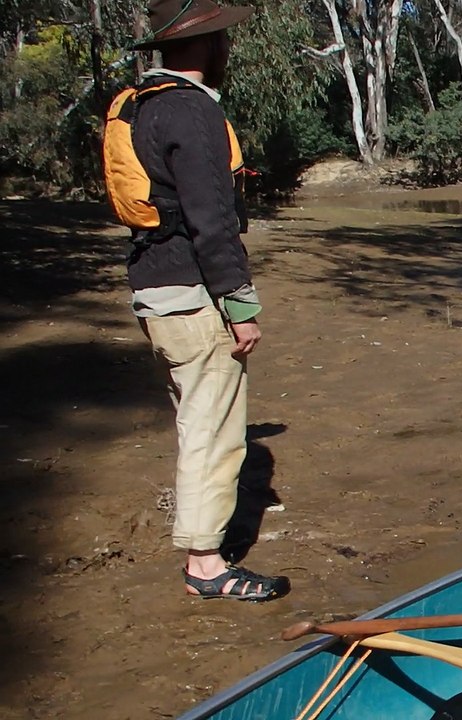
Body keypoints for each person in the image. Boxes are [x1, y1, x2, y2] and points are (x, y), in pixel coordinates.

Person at [102, 0, 288, 601]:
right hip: (193, 295)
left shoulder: (141, 108)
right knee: (214, 432)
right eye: (221, 40)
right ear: (208, 46)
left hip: (154, 289)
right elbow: (213, 221)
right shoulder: (192, 111)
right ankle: (206, 566)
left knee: (194, 424)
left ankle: (201, 549)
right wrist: (240, 304)